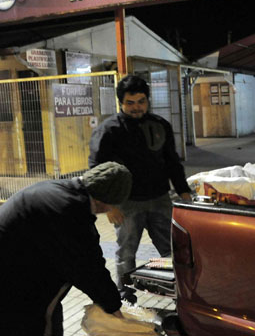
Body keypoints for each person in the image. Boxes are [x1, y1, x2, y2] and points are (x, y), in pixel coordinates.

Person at [89, 74, 192, 304]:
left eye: (141, 101)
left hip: (160, 199)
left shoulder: (160, 125)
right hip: (126, 204)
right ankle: (126, 296)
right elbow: (97, 169)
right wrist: (108, 206)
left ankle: (176, 292)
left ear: (148, 100)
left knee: (170, 251)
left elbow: (172, 162)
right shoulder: (108, 130)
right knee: (126, 253)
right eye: (130, 103)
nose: (137, 107)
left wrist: (184, 192)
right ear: (120, 103)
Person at [0, 161, 132, 336]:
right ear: (105, 202)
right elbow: (88, 268)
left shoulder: (64, 191)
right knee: (33, 325)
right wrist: (114, 308)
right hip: (14, 286)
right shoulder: (68, 211)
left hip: (20, 272)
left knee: (49, 317)